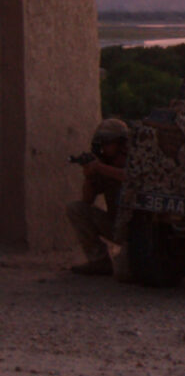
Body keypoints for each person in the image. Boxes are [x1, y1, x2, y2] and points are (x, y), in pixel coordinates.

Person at [66, 118, 128, 276]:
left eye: (108, 143)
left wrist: (100, 168)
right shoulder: (105, 164)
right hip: (117, 225)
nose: (104, 148)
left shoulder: (136, 160)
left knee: (126, 273)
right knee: (76, 209)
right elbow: (87, 201)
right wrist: (89, 176)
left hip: (136, 230)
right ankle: (99, 260)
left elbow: (129, 177)